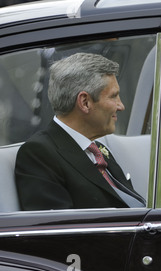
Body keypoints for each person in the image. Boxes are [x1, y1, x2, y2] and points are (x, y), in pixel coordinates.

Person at [15, 53, 145, 210]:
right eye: (114, 96)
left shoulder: (96, 149)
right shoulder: (39, 154)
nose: (121, 106)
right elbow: (56, 229)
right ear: (85, 102)